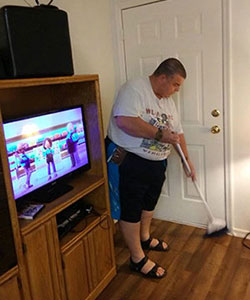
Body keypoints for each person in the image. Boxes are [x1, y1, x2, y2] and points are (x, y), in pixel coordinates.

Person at [106, 58, 196, 279]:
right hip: (130, 160)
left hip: (156, 162)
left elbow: (177, 133)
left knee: (149, 201)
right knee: (131, 207)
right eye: (175, 84)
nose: (176, 90)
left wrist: (186, 159)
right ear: (162, 77)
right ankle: (137, 258)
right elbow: (124, 121)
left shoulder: (167, 101)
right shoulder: (134, 89)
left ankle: (144, 238)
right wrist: (158, 134)